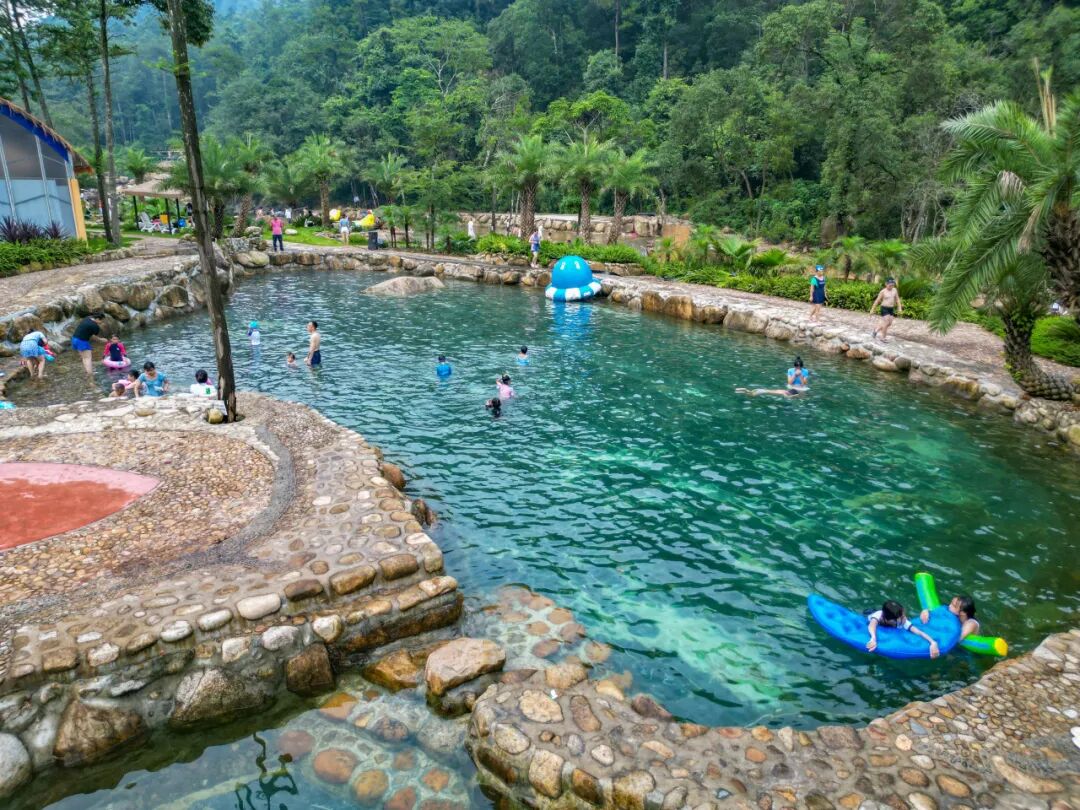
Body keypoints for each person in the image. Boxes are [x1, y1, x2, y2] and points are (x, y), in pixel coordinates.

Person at [867, 600, 939, 658]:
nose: (904, 618)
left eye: (903, 615)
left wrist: (932, 642)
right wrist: (873, 638)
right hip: (871, 613)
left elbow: (918, 631)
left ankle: (926, 610)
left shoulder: (903, 621)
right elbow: (871, 626)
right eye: (901, 617)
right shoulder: (878, 615)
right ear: (889, 620)